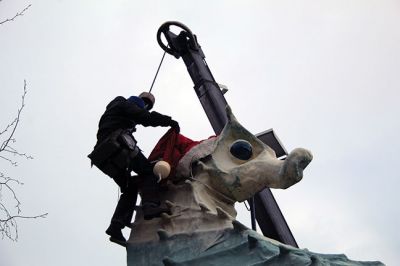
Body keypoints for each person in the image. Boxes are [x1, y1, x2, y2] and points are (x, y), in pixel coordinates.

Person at [88, 92, 180, 246]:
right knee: (149, 172)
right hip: (118, 145)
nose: (145, 108)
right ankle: (150, 206)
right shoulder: (123, 103)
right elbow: (144, 117)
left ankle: (116, 226)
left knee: (130, 187)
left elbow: (136, 116)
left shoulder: (114, 113)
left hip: (104, 155)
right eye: (145, 105)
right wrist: (168, 121)